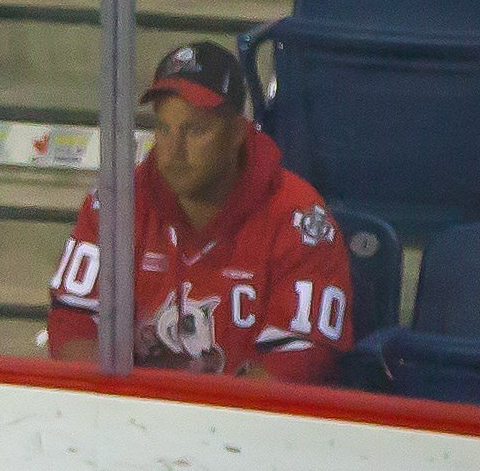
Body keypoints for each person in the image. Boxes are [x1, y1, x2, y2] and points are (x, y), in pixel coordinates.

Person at [46, 39, 355, 384]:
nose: (174, 150)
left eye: (195, 130)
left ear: (237, 133)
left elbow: (301, 360)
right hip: (134, 411)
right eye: (164, 128)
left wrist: (206, 415)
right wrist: (124, 405)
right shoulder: (116, 203)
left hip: (241, 416)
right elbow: (72, 322)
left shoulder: (299, 218)